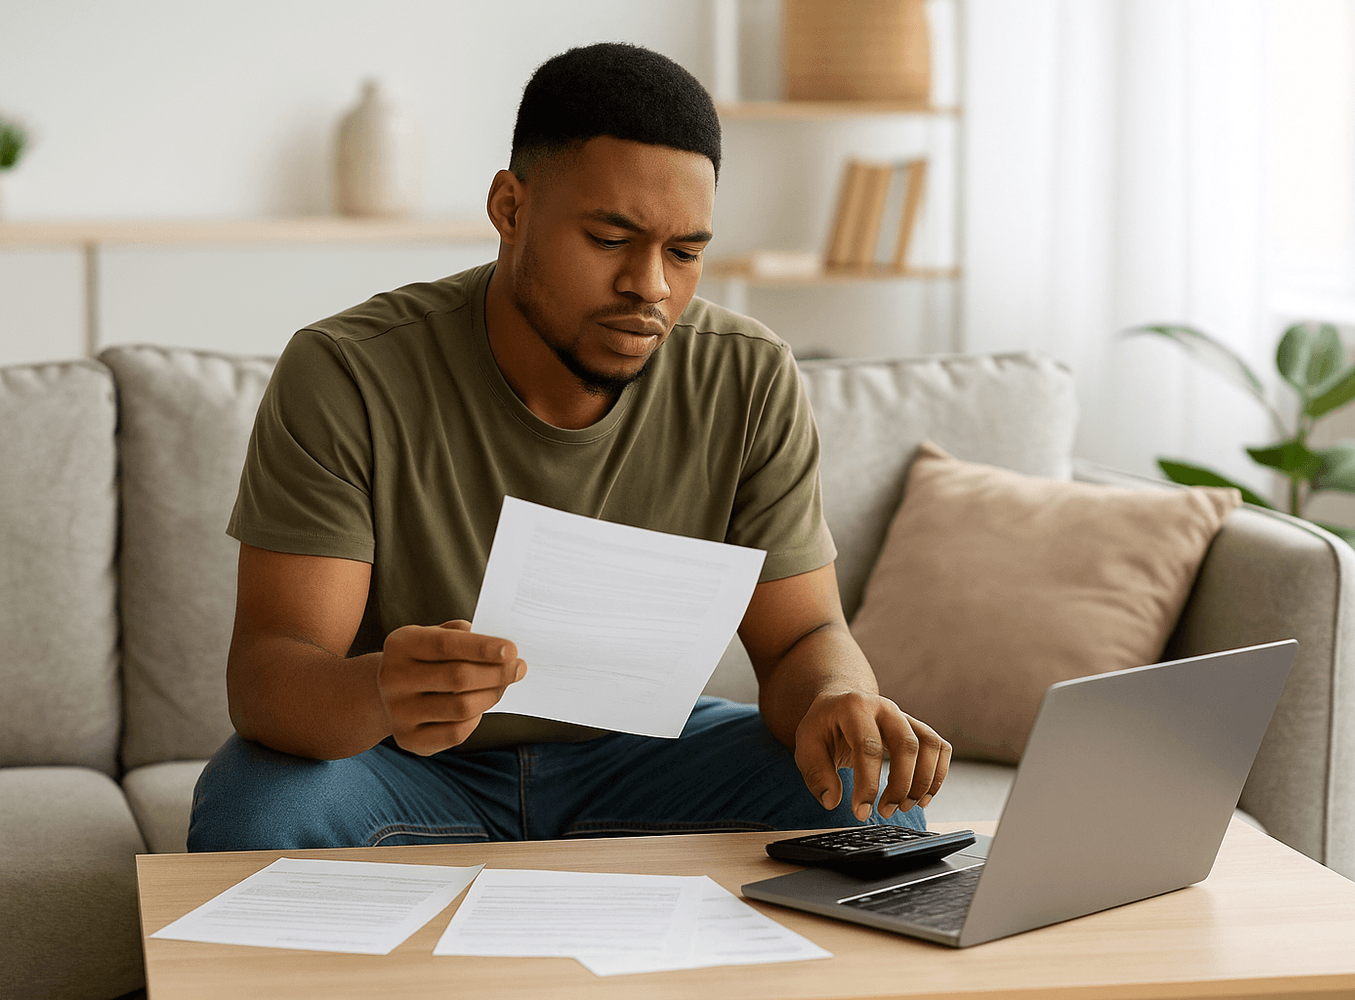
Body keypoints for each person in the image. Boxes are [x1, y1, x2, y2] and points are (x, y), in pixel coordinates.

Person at [188, 42, 951, 852]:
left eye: (686, 252)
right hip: (405, 763)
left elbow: (802, 639)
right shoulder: (347, 371)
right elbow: (272, 673)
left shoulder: (749, 376)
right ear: (510, 208)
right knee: (256, 807)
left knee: (873, 808)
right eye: (610, 238)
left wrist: (840, 698)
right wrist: (379, 687)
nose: (651, 286)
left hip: (644, 759)